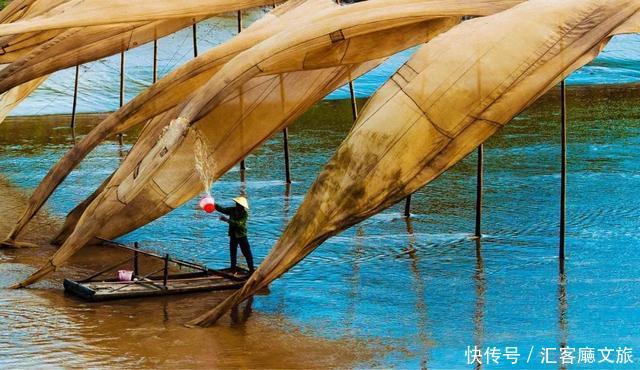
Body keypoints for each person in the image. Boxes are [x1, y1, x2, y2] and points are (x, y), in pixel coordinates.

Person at [217, 196, 255, 274]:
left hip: (241, 235)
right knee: (233, 252)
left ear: (242, 206)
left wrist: (227, 220)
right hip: (233, 235)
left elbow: (239, 224)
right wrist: (213, 204)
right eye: (236, 203)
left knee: (247, 253)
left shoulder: (244, 214)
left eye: (238, 204)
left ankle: (251, 270)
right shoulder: (232, 210)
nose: (237, 205)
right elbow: (222, 209)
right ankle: (233, 269)